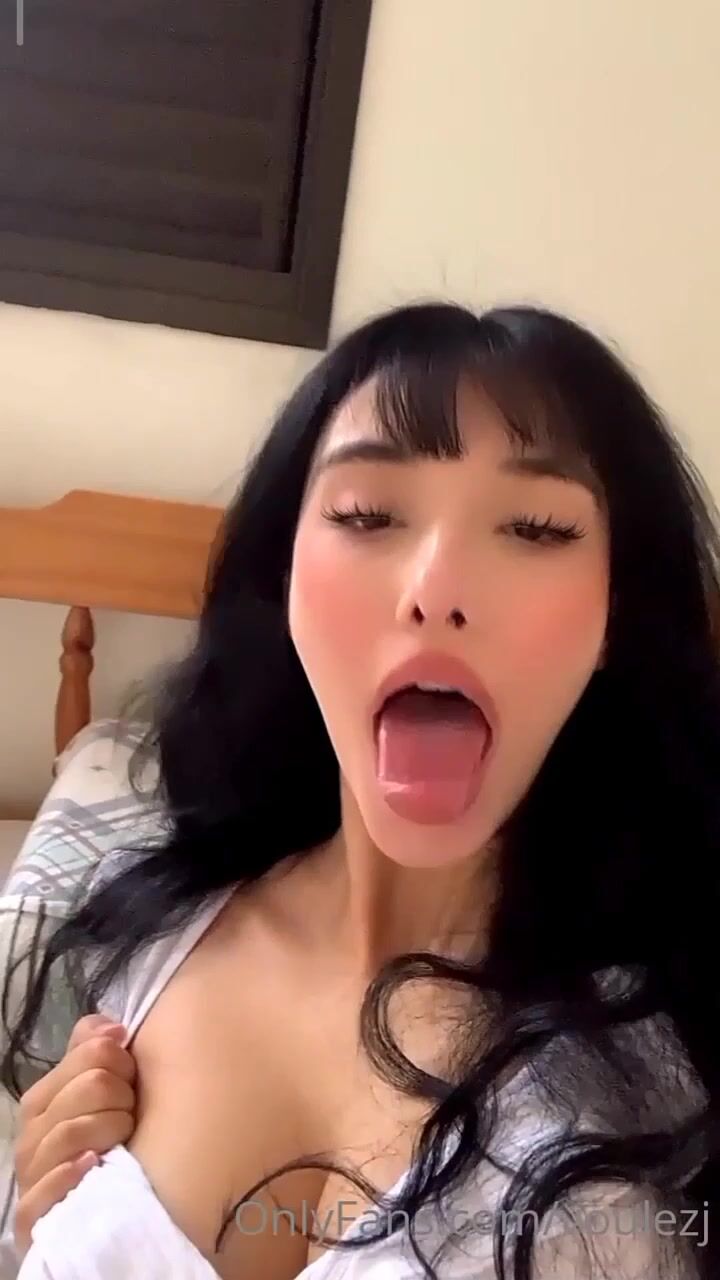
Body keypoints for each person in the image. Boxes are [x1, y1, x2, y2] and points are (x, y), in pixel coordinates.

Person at [2, 301, 718, 1279]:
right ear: (286, 576)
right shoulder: (148, 939)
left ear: (615, 617)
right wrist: (36, 1220)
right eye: (367, 516)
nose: (436, 589)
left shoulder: (667, 1077)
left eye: (536, 527)